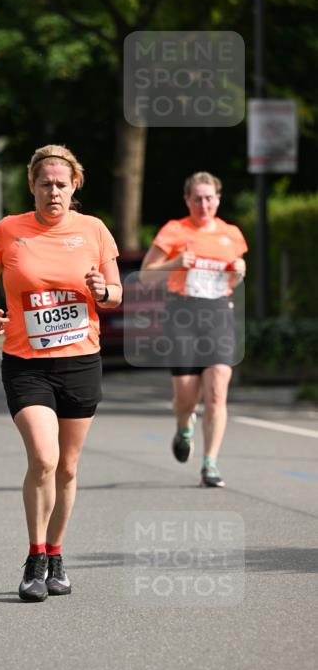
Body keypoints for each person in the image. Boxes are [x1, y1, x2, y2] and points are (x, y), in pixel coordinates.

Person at [0, 145, 122, 602]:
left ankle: (57, 555)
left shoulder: (94, 230)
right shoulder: (10, 230)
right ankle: (34, 559)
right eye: (44, 184)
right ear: (32, 186)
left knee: (69, 467)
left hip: (80, 362)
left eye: (61, 184)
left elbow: (114, 294)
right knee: (44, 458)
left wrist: (105, 290)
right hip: (26, 364)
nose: (53, 191)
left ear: (75, 185)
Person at [139, 171, 247, 488]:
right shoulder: (174, 231)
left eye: (209, 198)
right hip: (182, 315)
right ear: (188, 200)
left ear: (218, 199)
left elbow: (234, 278)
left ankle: (210, 463)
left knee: (216, 394)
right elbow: (146, 275)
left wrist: (241, 271)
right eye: (197, 198)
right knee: (186, 397)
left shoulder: (232, 234)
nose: (203, 204)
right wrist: (174, 264)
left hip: (218, 315)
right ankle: (184, 426)